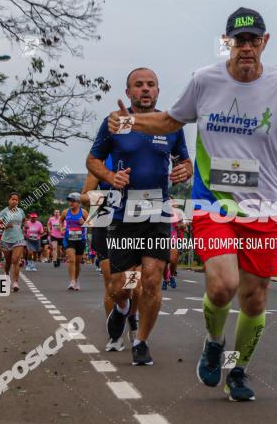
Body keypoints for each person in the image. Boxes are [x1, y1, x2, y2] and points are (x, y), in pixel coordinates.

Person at [107, 8, 277, 398]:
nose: (246, 47)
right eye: (239, 40)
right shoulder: (205, 80)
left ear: (264, 42)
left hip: (262, 208)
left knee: (254, 297)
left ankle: (239, 370)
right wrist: (131, 123)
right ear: (228, 42)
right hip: (213, 205)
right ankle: (214, 343)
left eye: (253, 40)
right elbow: (171, 121)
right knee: (223, 285)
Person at [90, 66, 192, 365]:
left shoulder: (170, 125)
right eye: (139, 85)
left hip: (157, 211)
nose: (145, 89)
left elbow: (184, 160)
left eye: (151, 84)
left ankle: (141, 341)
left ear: (158, 91)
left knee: (151, 279)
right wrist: (110, 176)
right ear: (128, 92)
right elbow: (92, 159)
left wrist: (184, 169)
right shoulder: (116, 123)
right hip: (122, 214)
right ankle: (121, 310)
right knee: (120, 286)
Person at [80, 173, 141, 343]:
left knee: (133, 283)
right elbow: (84, 197)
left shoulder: (139, 158)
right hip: (105, 223)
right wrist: (106, 197)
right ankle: (114, 334)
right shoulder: (100, 161)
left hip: (133, 224)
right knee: (111, 284)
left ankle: (132, 316)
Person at [0, 192, 27, 292]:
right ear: (9, 200)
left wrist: (26, 225)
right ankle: (6, 274)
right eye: (13, 199)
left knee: (15, 260)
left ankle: (15, 282)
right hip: (6, 240)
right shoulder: (4, 212)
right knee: (8, 262)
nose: (14, 201)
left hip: (19, 239)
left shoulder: (20, 211)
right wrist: (5, 225)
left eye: (16, 200)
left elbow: (24, 220)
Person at [61, 193, 87, 291]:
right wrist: (61, 228)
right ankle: (72, 281)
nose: (71, 203)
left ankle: (76, 280)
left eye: (73, 201)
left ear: (78, 202)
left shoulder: (83, 212)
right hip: (69, 238)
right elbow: (60, 221)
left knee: (77, 262)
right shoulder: (65, 212)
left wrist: (83, 223)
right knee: (71, 260)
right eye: (70, 201)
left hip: (80, 239)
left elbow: (91, 224)